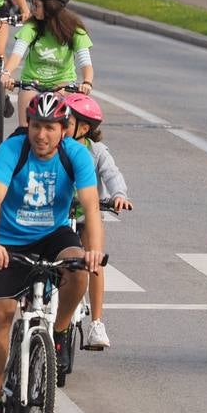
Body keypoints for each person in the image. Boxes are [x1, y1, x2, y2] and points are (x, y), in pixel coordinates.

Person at [0, 93, 104, 413]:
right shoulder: (13, 150)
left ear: (63, 129)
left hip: (54, 234)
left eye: (50, 127)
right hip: (9, 239)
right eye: (36, 126)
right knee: (1, 316)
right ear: (28, 125)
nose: (42, 135)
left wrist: (94, 251)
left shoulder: (75, 154)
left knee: (79, 269)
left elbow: (91, 208)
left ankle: (60, 331)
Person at [60, 93, 130, 350]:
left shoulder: (97, 151)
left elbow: (112, 175)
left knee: (94, 257)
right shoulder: (53, 145)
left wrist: (119, 196)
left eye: (67, 122)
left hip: (85, 214)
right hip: (57, 215)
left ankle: (96, 323)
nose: (60, 126)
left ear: (84, 128)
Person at [1, 0, 94, 125]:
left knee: (63, 131)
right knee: (26, 129)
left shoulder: (75, 31)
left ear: (51, 7)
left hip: (62, 84)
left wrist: (87, 82)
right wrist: (6, 74)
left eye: (36, 5)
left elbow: (85, 62)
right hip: (32, 83)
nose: (32, 9)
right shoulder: (31, 27)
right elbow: (16, 55)